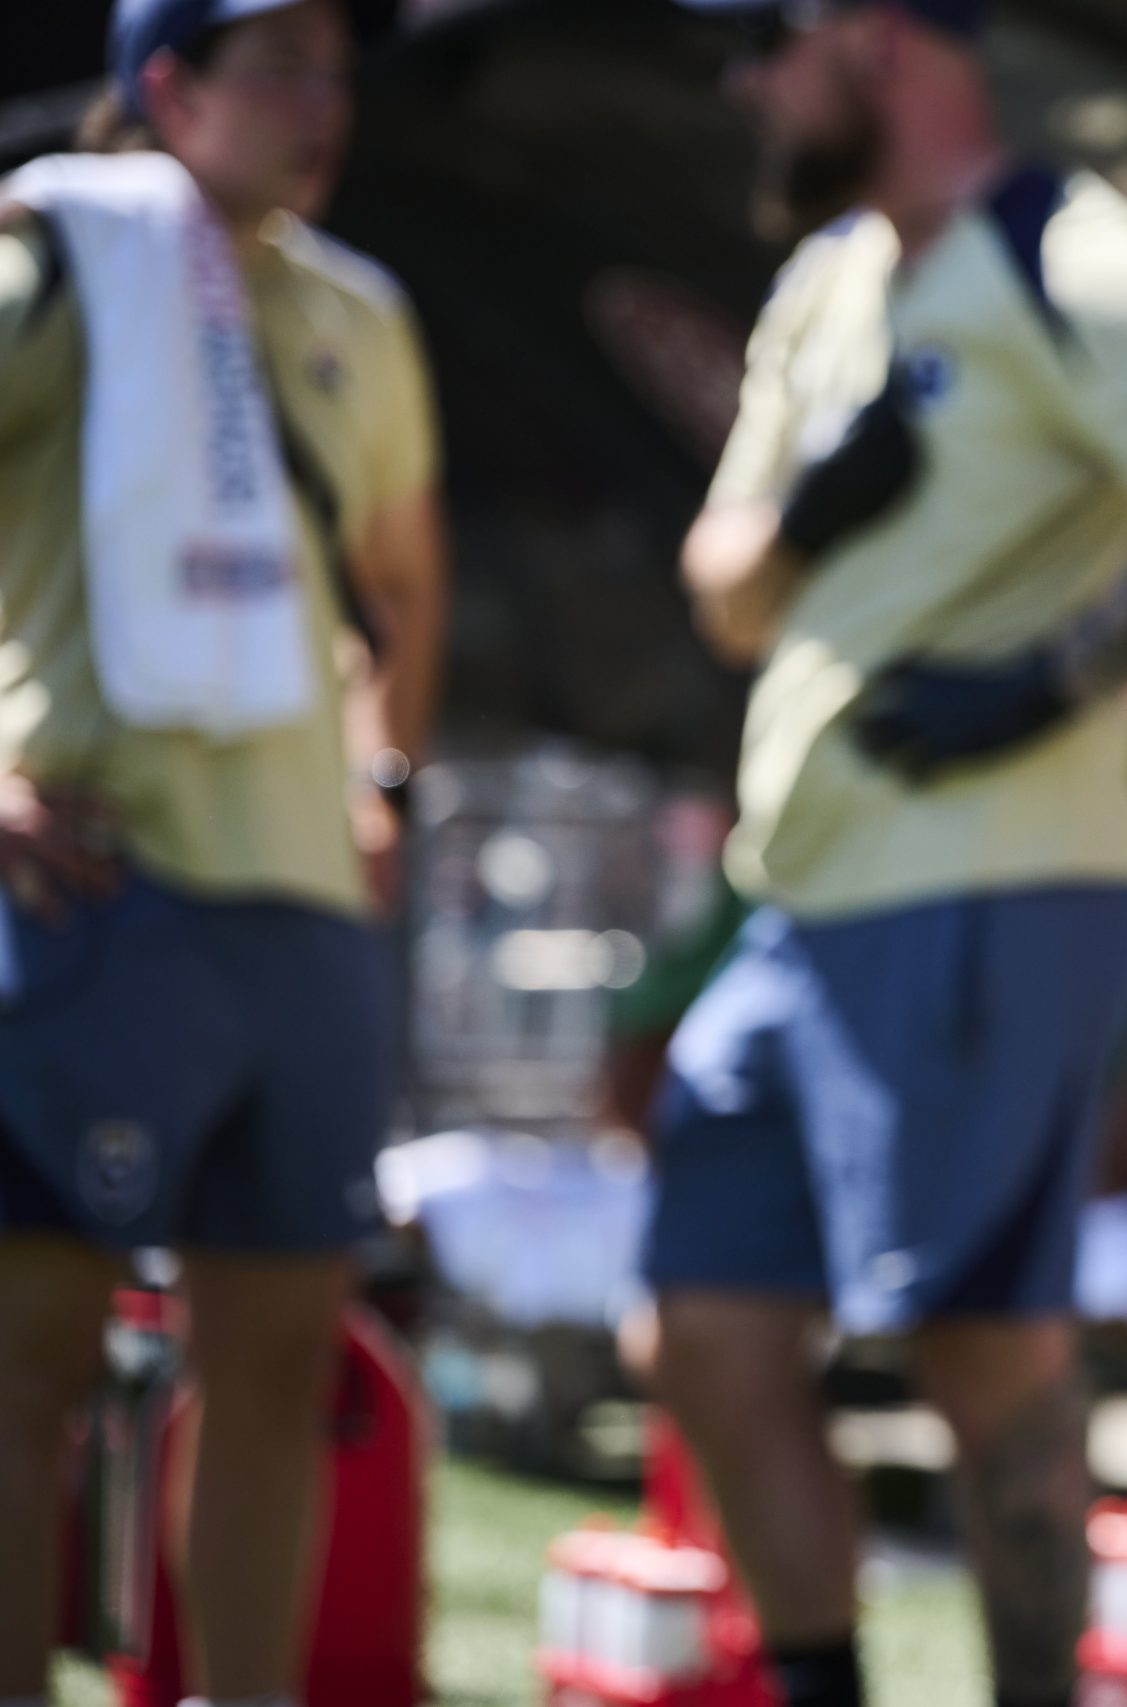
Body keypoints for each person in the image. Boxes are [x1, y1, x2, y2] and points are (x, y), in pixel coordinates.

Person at [643, 4, 1127, 1705]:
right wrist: (819, 509)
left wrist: (1051, 674)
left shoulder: (1070, 250)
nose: (745, 80)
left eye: (768, 38)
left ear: (873, 32)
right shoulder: (829, 276)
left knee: (980, 1349)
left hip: (1000, 876)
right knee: (703, 1321)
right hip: (801, 893)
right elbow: (726, 587)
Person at [0, 1, 445, 1703]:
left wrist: (382, 781)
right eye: (276, 61)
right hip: (91, 899)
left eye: (336, 67)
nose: (320, 102)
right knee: (25, 1369)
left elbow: (404, 572)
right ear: (162, 83)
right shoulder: (58, 263)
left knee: (271, 1368)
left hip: (302, 922)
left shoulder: (360, 312)